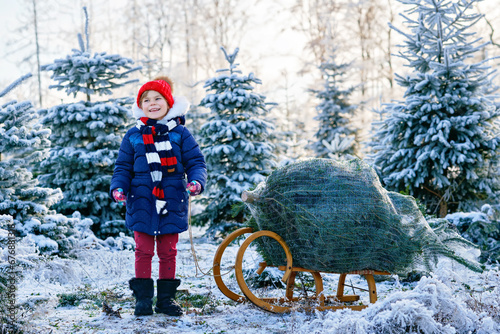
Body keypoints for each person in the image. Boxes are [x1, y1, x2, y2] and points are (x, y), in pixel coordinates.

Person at [110, 76, 207, 316]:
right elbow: (123, 166)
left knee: (168, 251)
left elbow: (196, 161)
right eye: (146, 100)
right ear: (140, 105)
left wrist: (196, 181)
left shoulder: (180, 133)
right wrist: (118, 187)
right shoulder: (133, 135)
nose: (152, 104)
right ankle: (143, 300)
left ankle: (166, 300)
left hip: (172, 199)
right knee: (143, 250)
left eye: (158, 99)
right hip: (141, 199)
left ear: (168, 102)